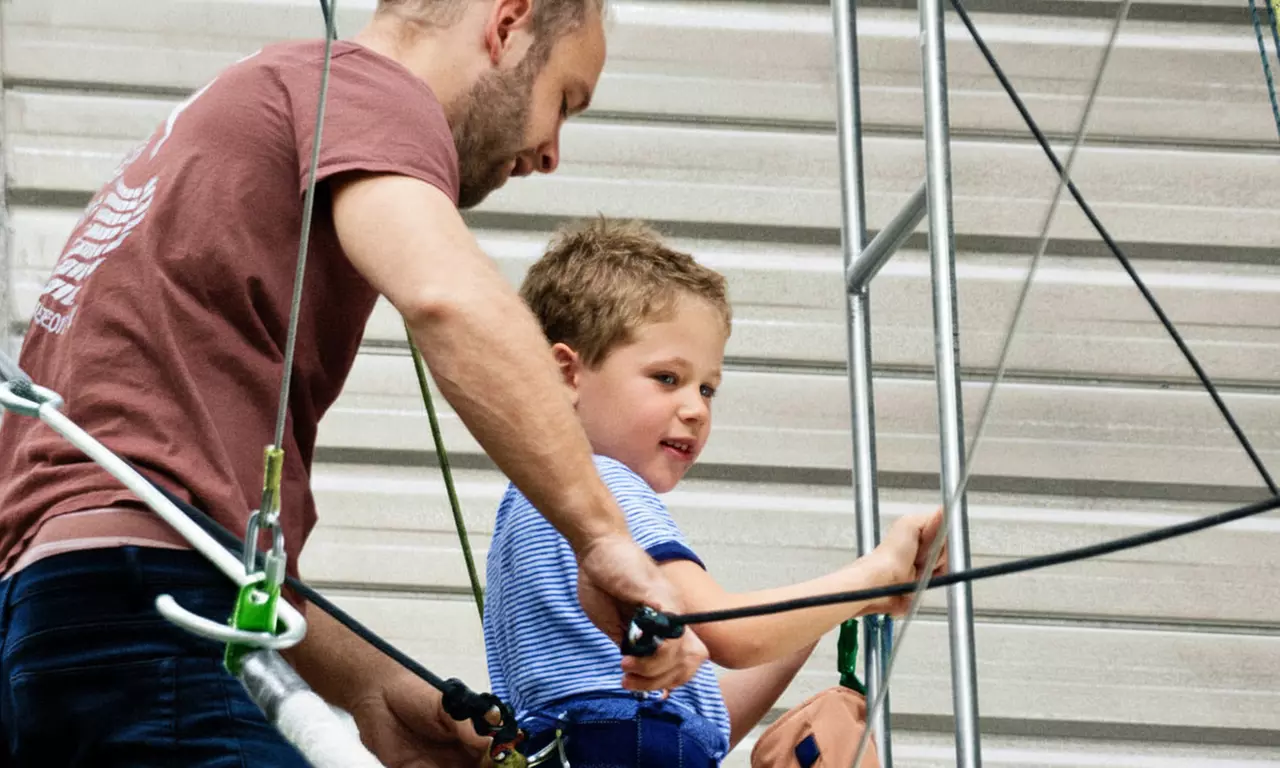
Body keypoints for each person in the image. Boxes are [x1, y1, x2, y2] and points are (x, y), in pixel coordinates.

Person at [0, 1, 710, 766]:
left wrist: (373, 686)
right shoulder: (366, 89)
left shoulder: (266, 98)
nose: (549, 154)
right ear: (507, 23)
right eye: (563, 101)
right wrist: (602, 538)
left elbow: (151, 512)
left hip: (57, 617)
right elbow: (449, 298)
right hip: (143, 612)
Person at [482, 218, 948, 766]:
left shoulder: (529, 506)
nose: (695, 408)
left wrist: (829, 611)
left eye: (708, 388)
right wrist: (876, 571)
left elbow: (695, 726)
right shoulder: (604, 488)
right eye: (667, 378)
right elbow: (726, 633)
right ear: (566, 374)